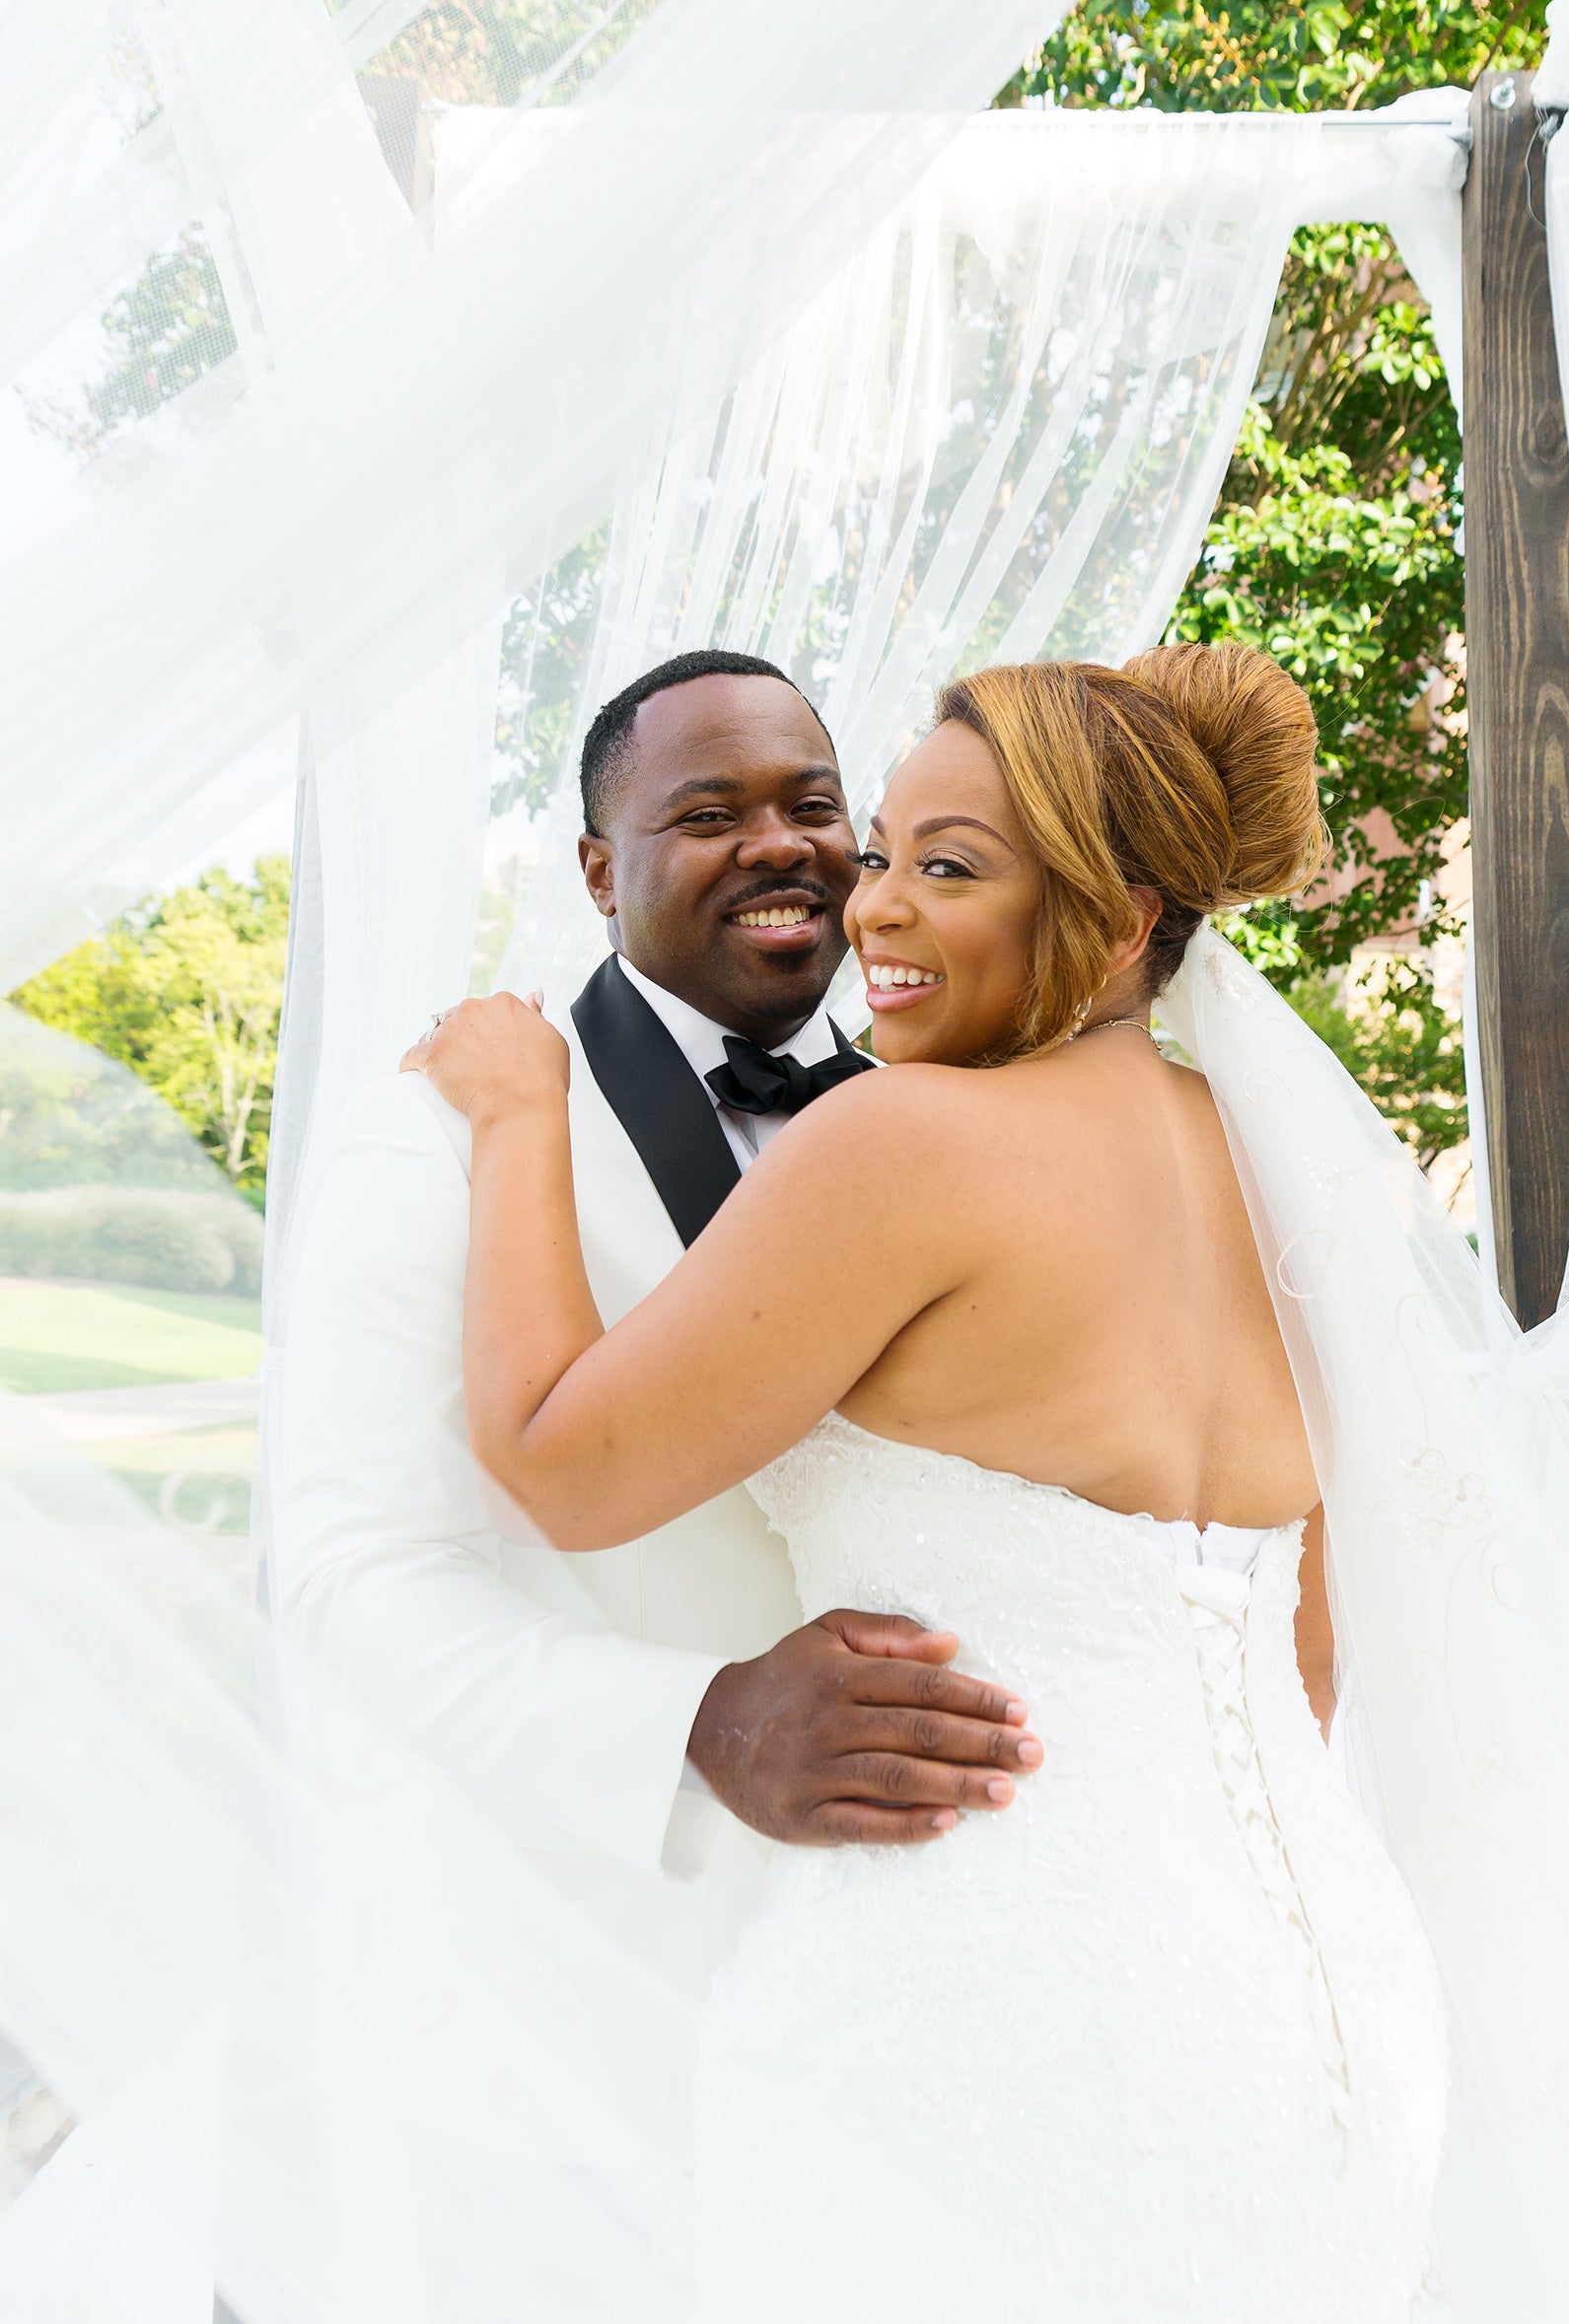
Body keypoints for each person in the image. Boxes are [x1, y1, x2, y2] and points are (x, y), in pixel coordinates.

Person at [410, 645, 1451, 2319]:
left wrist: (522, 1110)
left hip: (1003, 2021)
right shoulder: (1291, 1188)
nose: (873, 908)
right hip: (1338, 2014)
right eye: (883, 848)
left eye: (949, 868)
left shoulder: (907, 1146)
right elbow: (1306, 1659)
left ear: (1119, 919)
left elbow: (557, 1460)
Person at [273, 648, 1039, 2012]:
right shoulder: (438, 1138)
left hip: (962, 1940)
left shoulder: (952, 1123)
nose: (779, 847)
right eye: (705, 815)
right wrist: (704, 1723)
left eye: (814, 806)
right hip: (598, 1963)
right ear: (593, 870)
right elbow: (348, 1575)